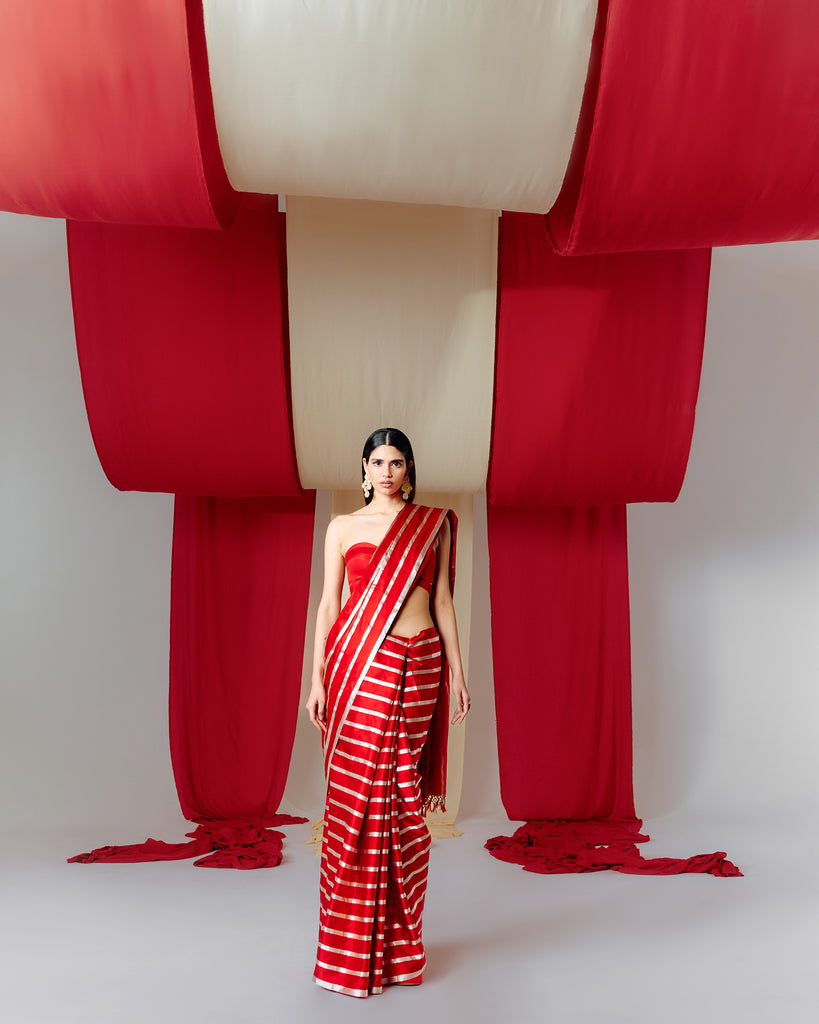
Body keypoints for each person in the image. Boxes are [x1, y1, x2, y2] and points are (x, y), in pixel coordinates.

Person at [305, 426, 470, 998]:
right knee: (359, 799)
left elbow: (444, 599)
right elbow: (330, 604)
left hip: (421, 662)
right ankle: (349, 950)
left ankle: (399, 951)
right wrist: (318, 676)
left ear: (408, 469)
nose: (388, 471)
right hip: (358, 663)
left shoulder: (434, 526)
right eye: (378, 461)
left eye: (397, 462)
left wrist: (459, 672)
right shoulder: (343, 527)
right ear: (364, 468)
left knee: (401, 798)